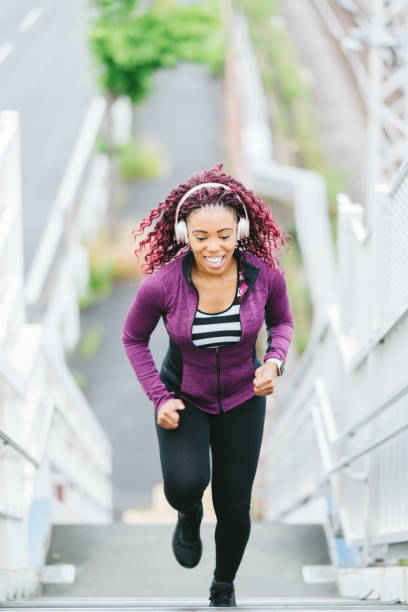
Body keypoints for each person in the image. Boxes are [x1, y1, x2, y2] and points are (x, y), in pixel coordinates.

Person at [121, 162, 294, 607]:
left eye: (223, 234)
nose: (213, 247)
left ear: (240, 228)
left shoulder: (264, 278)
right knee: (184, 485)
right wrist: (158, 397)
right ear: (184, 235)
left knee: (235, 505)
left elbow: (282, 323)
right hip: (183, 398)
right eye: (201, 237)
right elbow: (133, 337)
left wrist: (273, 362)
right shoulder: (162, 286)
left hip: (243, 399)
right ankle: (188, 514)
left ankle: (223, 586)